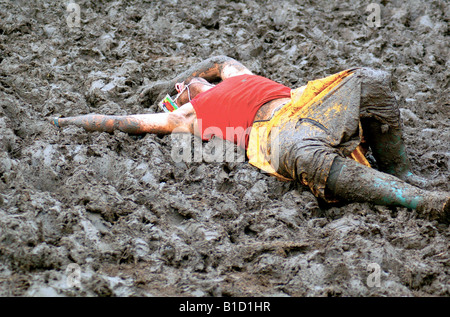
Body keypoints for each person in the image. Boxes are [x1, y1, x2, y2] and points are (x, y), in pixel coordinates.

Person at [50, 56, 449, 223]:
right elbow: (123, 122)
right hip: (275, 132)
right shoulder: (185, 116)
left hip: (308, 101)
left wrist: (178, 78)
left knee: (369, 80)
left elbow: (219, 58)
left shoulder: (236, 74)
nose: (183, 87)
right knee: (304, 157)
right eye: (178, 91)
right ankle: (423, 202)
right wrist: (67, 120)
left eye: (186, 83)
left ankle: (403, 171)